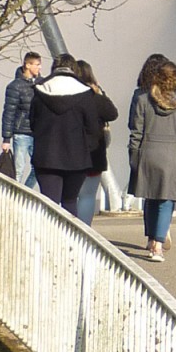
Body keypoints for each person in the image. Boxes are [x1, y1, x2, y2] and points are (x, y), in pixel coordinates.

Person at [30, 54, 118, 213]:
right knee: (70, 201)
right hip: (76, 157)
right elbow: (92, 127)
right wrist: (86, 148)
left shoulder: (39, 90)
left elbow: (33, 123)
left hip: (46, 156)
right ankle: (68, 238)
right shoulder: (85, 94)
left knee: (49, 205)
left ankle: (50, 237)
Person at [129, 56, 176, 262]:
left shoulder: (142, 99)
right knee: (166, 200)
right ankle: (158, 245)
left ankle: (150, 239)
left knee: (150, 197)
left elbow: (135, 134)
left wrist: (134, 159)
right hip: (172, 156)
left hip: (148, 153)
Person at [71, 59, 114, 227]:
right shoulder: (95, 96)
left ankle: (68, 229)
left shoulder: (69, 95)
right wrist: (100, 92)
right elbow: (112, 113)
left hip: (71, 152)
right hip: (94, 152)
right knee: (88, 196)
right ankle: (84, 230)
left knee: (70, 195)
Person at [1, 52, 42, 185]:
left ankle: (26, 192)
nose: (39, 68)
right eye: (37, 65)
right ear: (28, 65)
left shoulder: (43, 84)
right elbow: (9, 112)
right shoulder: (15, 86)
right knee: (18, 170)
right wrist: (6, 138)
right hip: (21, 133)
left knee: (39, 168)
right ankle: (15, 199)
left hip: (39, 133)